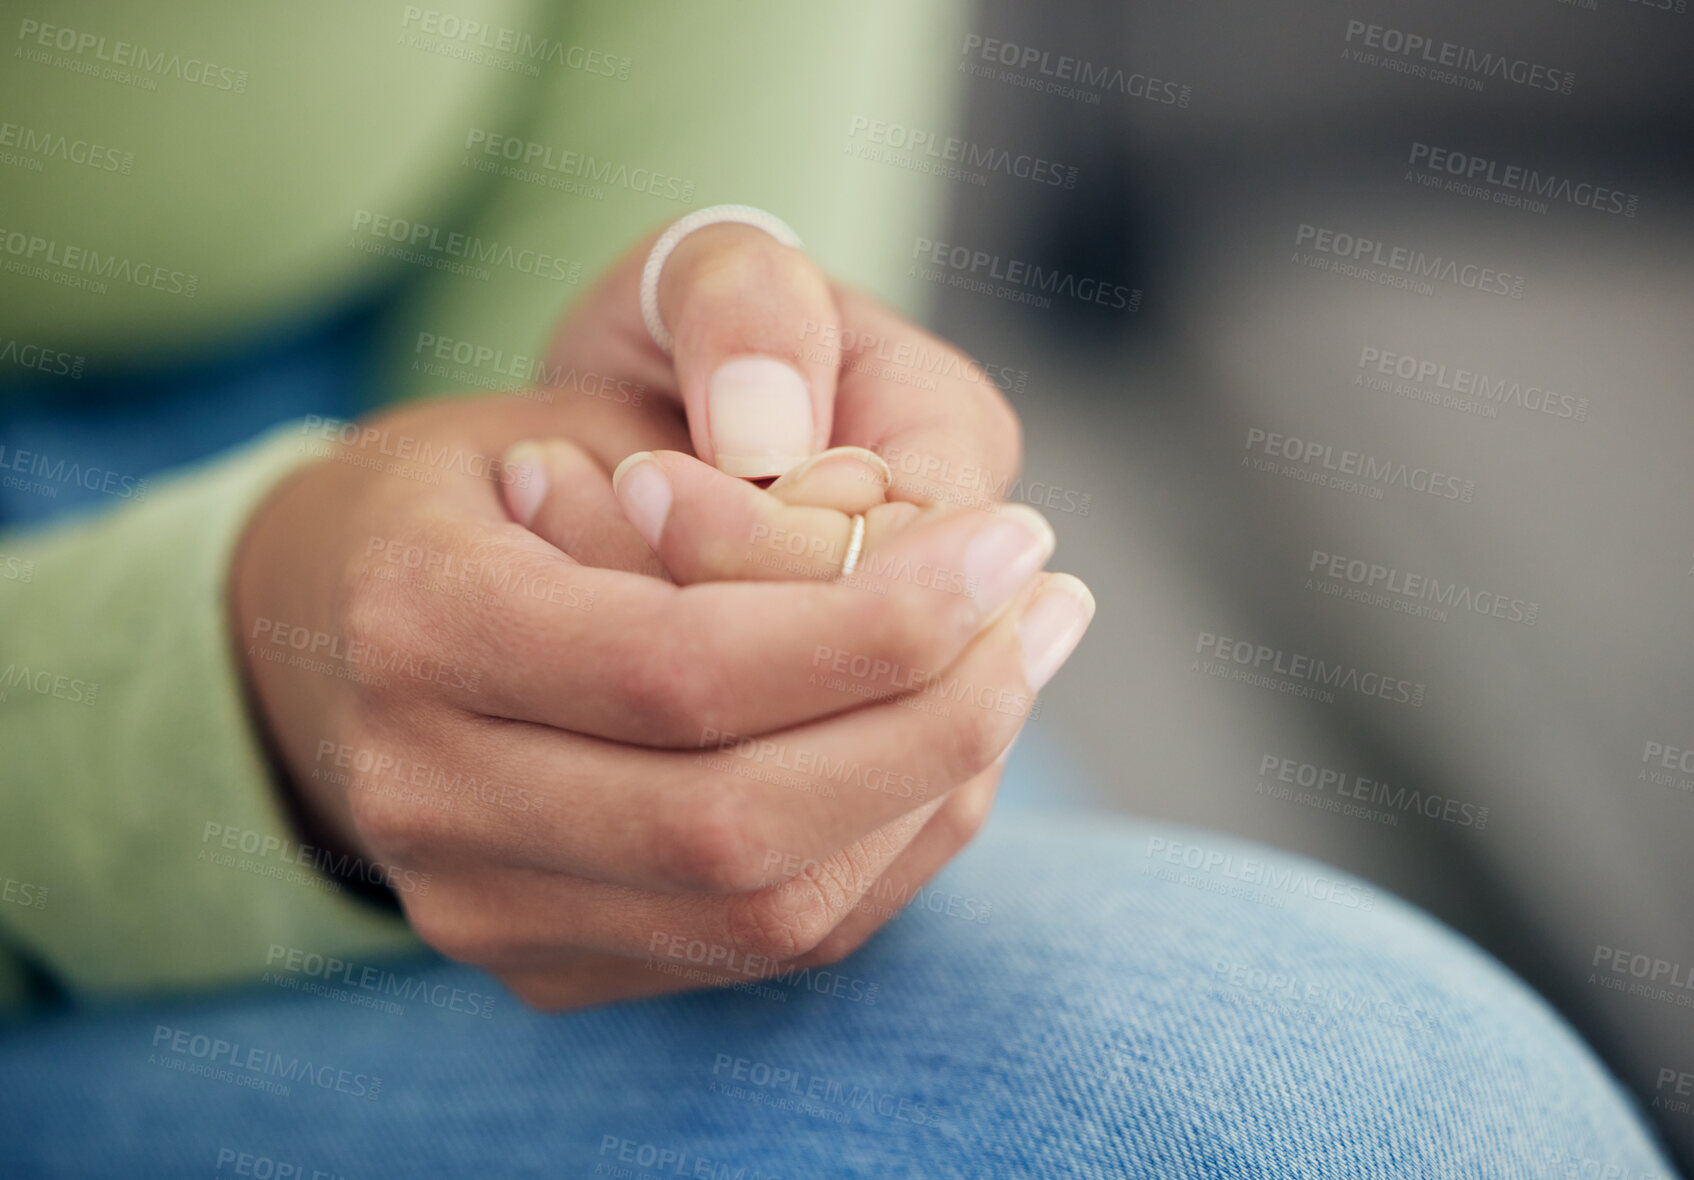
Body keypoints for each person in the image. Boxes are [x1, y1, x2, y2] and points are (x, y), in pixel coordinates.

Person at [0, 3, 1678, 1174]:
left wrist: (698, 425)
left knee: (1315, 1087)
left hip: (383, 521)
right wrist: (223, 681)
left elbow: (665, 295)